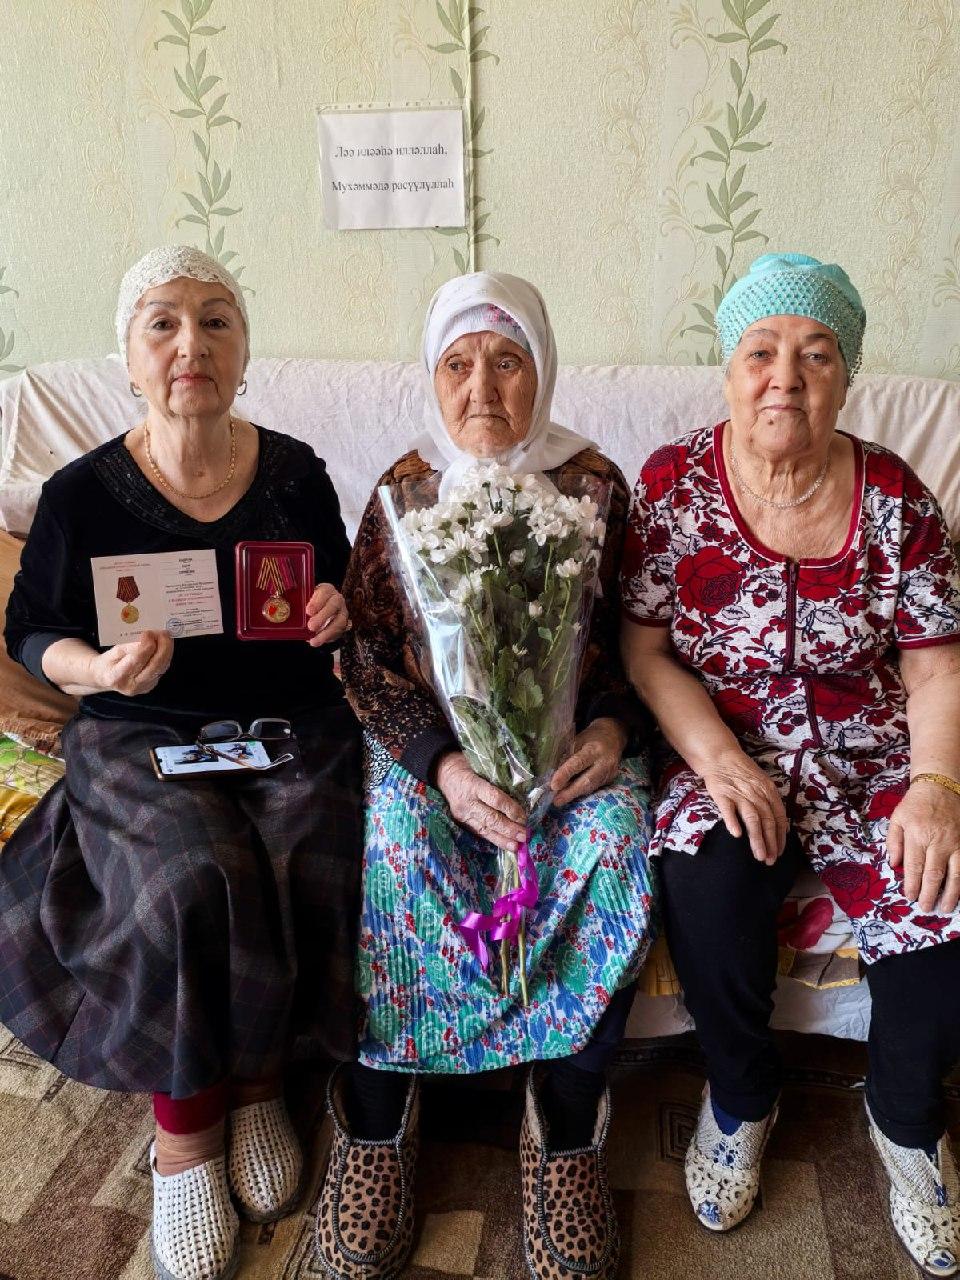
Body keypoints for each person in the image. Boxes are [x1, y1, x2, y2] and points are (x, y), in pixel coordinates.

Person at [0, 246, 363, 1280]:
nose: (190, 343)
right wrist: (97, 667)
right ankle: (187, 1129)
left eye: (215, 320)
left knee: (311, 837)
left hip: (289, 722)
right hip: (138, 728)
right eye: (162, 322)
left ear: (243, 353)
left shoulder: (295, 472)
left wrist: (335, 610)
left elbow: (341, 593)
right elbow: (32, 630)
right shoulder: (81, 493)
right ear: (129, 357)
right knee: (193, 872)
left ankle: (258, 1082)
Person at [621, 252, 960, 1276]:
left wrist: (936, 789)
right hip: (725, 742)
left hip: (873, 755)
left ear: (846, 374)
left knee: (944, 899)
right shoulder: (673, 484)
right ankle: (741, 1096)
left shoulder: (896, 497)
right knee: (706, 879)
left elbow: (936, 667)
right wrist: (719, 757)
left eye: (816, 355)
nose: (786, 378)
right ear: (729, 370)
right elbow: (643, 650)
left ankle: (907, 1123)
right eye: (762, 352)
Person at [313, 272, 655, 1280]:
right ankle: (381, 1110)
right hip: (438, 756)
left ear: (542, 370)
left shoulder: (594, 486)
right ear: (432, 376)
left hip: (568, 757)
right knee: (394, 841)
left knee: (616, 842)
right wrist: (446, 766)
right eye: (457, 364)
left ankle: (565, 1119)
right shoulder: (404, 489)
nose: (482, 388)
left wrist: (610, 728)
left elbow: (643, 640)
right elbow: (365, 655)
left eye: (508, 362)